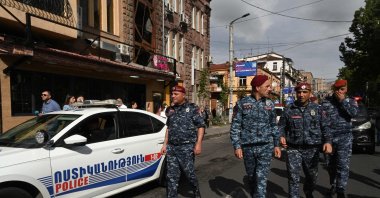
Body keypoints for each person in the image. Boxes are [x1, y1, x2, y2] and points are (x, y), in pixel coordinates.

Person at [230, 75, 281, 198]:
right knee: (252, 177)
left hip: (265, 146)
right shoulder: (242, 103)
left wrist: (276, 144)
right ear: (257, 87)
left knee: (261, 178)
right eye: (267, 86)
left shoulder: (270, 104)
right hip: (248, 147)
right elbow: (235, 126)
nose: (270, 89)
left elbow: (274, 125)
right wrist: (237, 146)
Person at [279, 82, 332, 198]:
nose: (301, 95)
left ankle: (308, 192)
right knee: (293, 178)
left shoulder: (318, 109)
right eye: (299, 92)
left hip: (312, 149)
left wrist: (328, 142)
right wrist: (281, 136)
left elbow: (326, 127)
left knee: (312, 177)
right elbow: (281, 126)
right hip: (294, 148)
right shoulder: (289, 109)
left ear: (309, 93)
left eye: (304, 92)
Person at [160, 85, 205, 198]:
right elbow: (168, 128)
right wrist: (165, 145)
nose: (172, 96)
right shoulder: (171, 110)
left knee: (189, 174)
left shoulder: (192, 108)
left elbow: (201, 126)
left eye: (176, 94)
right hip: (172, 148)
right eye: (172, 93)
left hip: (186, 147)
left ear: (183, 95)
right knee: (171, 176)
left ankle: (196, 192)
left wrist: (198, 143)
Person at [321, 79, 359, 198]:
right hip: (330, 138)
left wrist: (343, 101)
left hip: (345, 138)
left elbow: (354, 113)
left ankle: (341, 190)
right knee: (330, 165)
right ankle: (333, 184)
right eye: (337, 89)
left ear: (346, 89)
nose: (339, 92)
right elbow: (323, 122)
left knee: (343, 165)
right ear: (333, 89)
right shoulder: (326, 102)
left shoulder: (351, 101)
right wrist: (327, 140)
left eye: (342, 89)